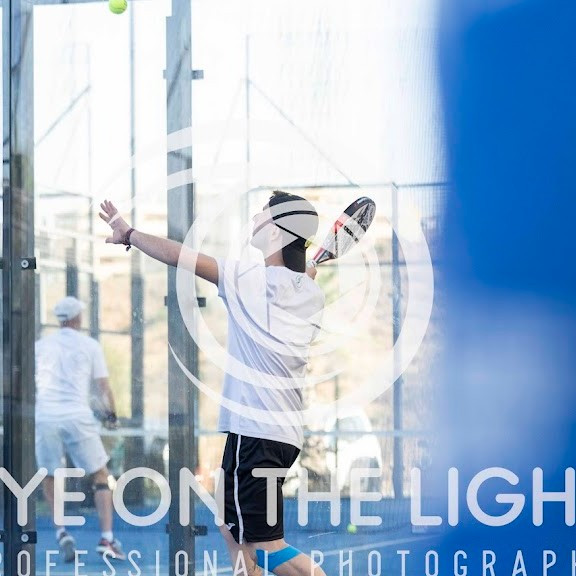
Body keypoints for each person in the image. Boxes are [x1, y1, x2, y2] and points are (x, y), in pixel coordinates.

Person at [100, 191, 328, 576]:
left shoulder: (249, 280)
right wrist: (303, 273)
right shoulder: (310, 292)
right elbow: (296, 282)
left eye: (263, 215)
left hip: (256, 434)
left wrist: (129, 233)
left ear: (276, 233)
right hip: (275, 435)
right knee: (228, 524)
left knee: (267, 549)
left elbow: (179, 255)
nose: (254, 219)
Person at [35, 296, 126, 562]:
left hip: (45, 416)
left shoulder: (40, 346)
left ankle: (61, 532)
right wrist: (111, 417)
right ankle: (107, 538)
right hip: (77, 416)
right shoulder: (90, 345)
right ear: (78, 318)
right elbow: (103, 387)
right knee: (100, 474)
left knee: (50, 475)